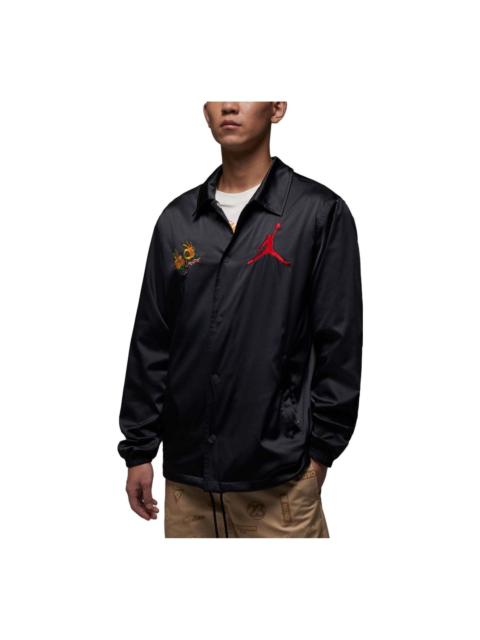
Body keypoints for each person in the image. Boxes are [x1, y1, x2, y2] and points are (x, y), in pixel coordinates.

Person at [117, 101, 363, 538]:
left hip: (280, 478)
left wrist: (321, 453)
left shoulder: (318, 213)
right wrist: (139, 450)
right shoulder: (177, 221)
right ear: (204, 111)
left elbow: (339, 342)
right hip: (189, 481)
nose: (229, 104)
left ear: (277, 107)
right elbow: (152, 340)